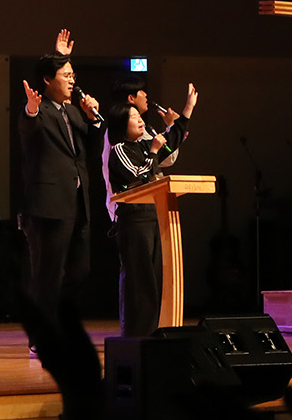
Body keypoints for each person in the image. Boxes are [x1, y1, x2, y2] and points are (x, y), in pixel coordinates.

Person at [18, 51, 102, 352]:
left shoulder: (74, 112)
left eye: (72, 75)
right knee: (47, 273)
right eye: (66, 75)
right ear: (47, 80)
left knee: (80, 269)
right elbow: (28, 129)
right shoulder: (38, 110)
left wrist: (93, 119)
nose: (72, 80)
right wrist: (31, 108)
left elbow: (90, 149)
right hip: (48, 204)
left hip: (77, 201)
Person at [103, 98, 192, 337]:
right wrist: (153, 151)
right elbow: (137, 176)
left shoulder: (143, 146)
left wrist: (187, 111)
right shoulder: (119, 149)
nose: (140, 120)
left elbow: (171, 142)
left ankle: (156, 332)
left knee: (155, 277)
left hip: (154, 214)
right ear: (122, 124)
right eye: (134, 117)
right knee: (140, 280)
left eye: (139, 116)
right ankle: (137, 336)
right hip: (134, 220)